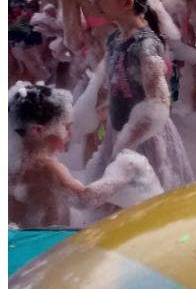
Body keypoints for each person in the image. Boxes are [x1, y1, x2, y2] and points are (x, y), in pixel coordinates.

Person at [83, 0, 194, 191]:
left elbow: (158, 103)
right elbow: (112, 84)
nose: (94, 3)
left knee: (151, 201)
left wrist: (126, 145)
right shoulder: (116, 38)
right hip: (121, 132)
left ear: (127, 3)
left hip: (147, 139)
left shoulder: (145, 46)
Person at [8, 83, 162, 227]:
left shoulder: (16, 162)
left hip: (23, 240)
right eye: (66, 127)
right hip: (47, 243)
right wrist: (123, 172)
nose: (70, 133)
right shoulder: (45, 166)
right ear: (38, 131)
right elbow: (84, 199)